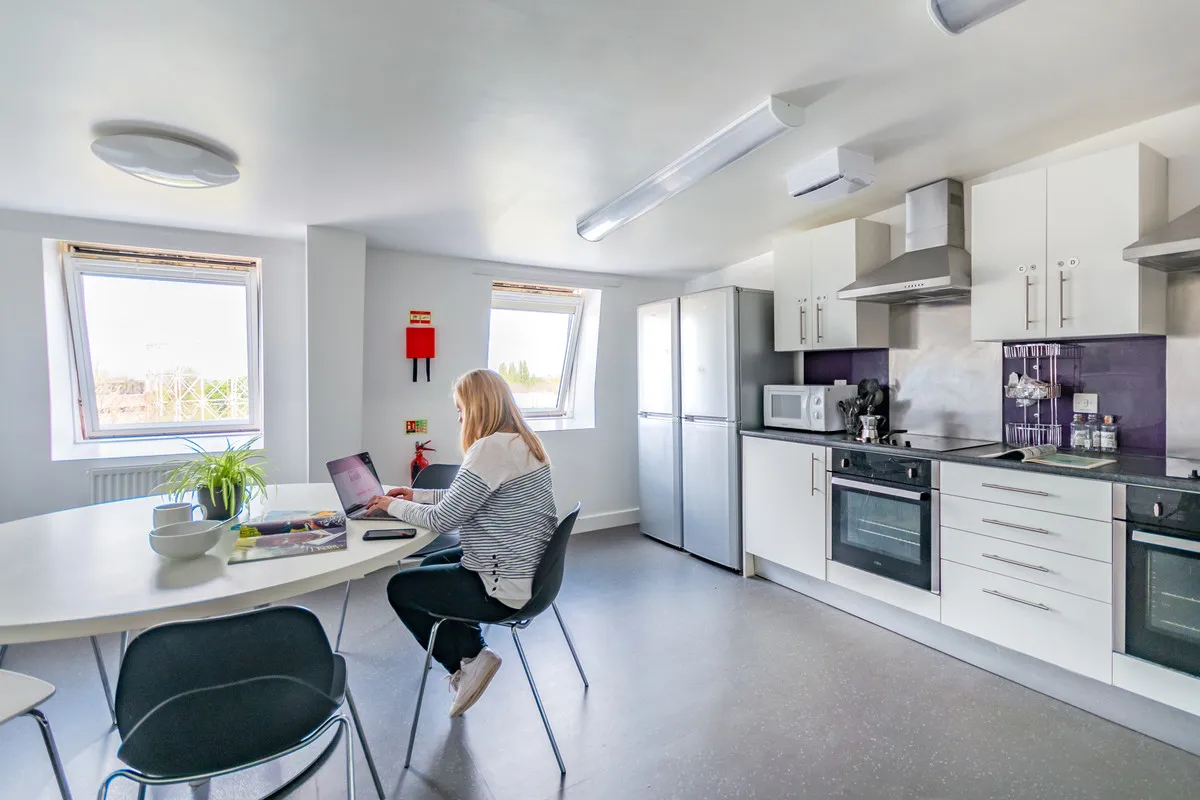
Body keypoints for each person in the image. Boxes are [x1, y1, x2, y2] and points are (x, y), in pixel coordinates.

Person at [366, 368, 557, 716]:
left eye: (461, 409)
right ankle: (473, 654)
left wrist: (391, 506)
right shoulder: (522, 442)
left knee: (400, 588)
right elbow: (465, 498)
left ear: (478, 407)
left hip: (504, 587)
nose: (459, 418)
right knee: (431, 565)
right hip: (532, 574)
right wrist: (415, 495)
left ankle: (466, 663)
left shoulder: (490, 449)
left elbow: (442, 520)